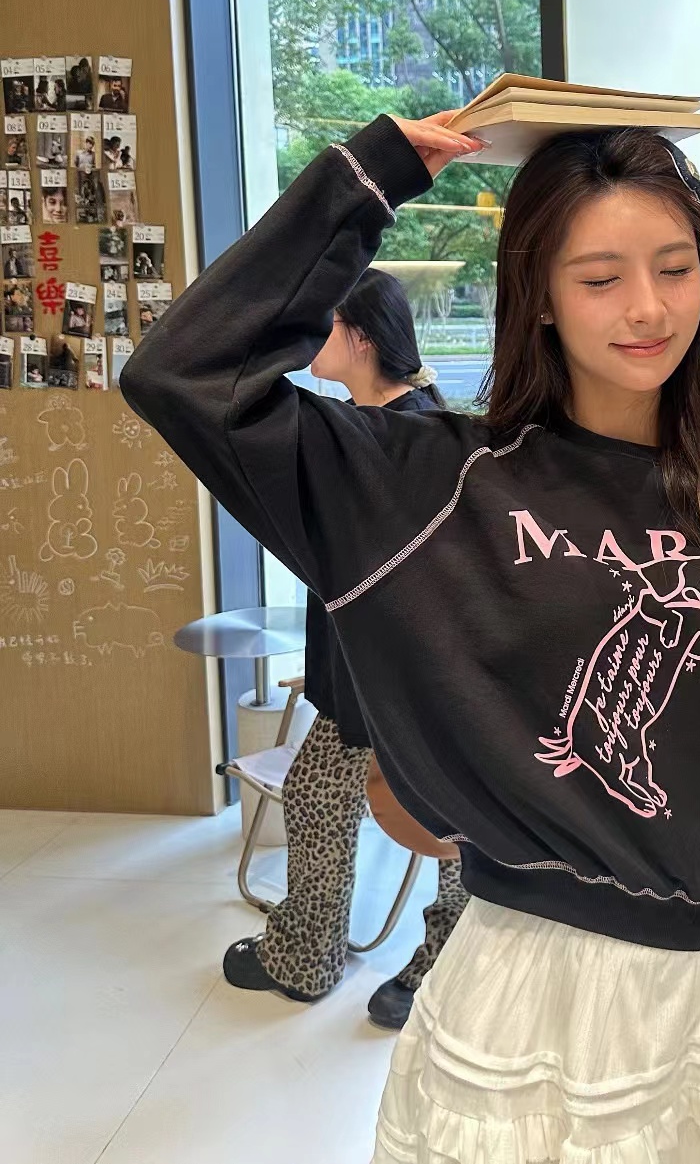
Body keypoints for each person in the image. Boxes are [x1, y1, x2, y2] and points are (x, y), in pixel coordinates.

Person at [122, 112, 700, 1164]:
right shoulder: (430, 483)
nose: (647, 307)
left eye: (675, 267)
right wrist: (371, 175)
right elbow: (184, 376)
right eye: (600, 278)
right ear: (538, 292)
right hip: (523, 994)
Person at [219, 268, 472, 1018]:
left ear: (359, 337)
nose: (305, 342)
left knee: (451, 833)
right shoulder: (360, 424)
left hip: (416, 690)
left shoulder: (414, 435)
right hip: (358, 684)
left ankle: (442, 975)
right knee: (318, 800)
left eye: (320, 325)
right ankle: (308, 956)